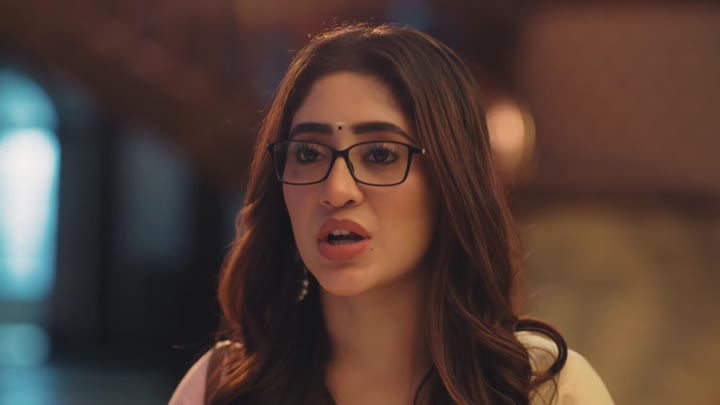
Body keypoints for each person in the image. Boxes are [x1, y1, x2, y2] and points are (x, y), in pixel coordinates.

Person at [169, 23, 614, 404]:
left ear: (449, 182)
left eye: (380, 154)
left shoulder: (543, 388)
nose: (337, 191)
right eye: (307, 153)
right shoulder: (223, 388)